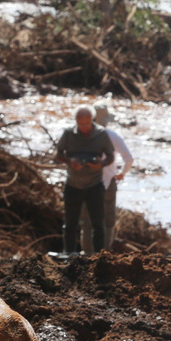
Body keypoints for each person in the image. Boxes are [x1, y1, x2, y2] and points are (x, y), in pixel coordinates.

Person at [54, 105, 115, 255]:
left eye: (87, 123)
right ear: (76, 121)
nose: (84, 127)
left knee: (98, 224)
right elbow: (58, 155)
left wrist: (100, 164)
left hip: (95, 185)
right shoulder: (68, 133)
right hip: (73, 184)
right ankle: (68, 255)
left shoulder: (101, 134)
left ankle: (99, 257)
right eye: (81, 124)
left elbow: (111, 156)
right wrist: (71, 161)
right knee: (70, 223)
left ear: (92, 120)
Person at [80, 103, 135, 254]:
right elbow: (129, 159)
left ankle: (86, 256)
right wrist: (122, 173)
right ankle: (103, 255)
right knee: (107, 222)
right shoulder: (112, 136)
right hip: (108, 183)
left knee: (87, 223)